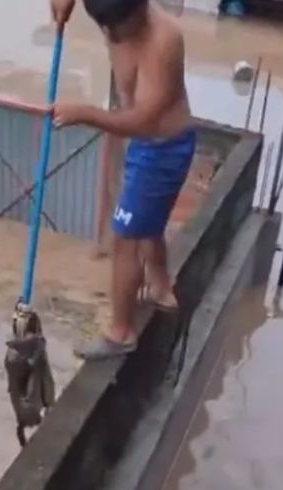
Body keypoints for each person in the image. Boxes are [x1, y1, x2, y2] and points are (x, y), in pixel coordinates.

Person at [51, 0, 195, 359]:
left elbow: (145, 122)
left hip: (162, 148)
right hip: (148, 145)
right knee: (145, 222)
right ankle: (161, 288)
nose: (111, 34)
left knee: (125, 236)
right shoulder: (114, 12)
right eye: (105, 27)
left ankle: (121, 332)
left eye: (118, 27)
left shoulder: (163, 41)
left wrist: (85, 114)